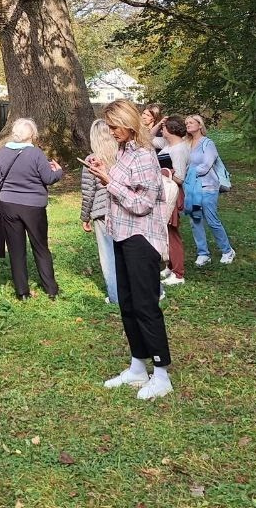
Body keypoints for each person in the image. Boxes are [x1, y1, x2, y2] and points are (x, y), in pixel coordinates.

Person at [83, 99, 174, 400]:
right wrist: (103, 170)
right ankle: (138, 366)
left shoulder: (146, 157)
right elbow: (123, 185)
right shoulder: (123, 152)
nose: (110, 133)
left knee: (146, 306)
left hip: (141, 238)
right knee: (127, 304)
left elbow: (142, 204)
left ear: (129, 124)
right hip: (120, 234)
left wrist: (109, 182)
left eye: (113, 127)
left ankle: (161, 374)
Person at [0, 118, 63, 300]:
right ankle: (51, 289)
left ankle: (22, 292)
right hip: (33, 206)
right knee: (40, 246)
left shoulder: (2, 153)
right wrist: (58, 172)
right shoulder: (36, 154)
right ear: (33, 135)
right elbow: (48, 178)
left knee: (16, 249)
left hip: (9, 205)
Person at [186, 114, 236, 267]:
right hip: (192, 189)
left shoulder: (207, 144)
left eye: (190, 122)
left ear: (199, 125)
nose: (187, 125)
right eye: (186, 123)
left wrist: (187, 172)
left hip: (208, 187)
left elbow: (207, 165)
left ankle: (227, 251)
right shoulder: (186, 143)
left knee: (212, 220)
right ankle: (203, 253)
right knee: (195, 220)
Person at [80, 118, 120, 304]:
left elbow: (88, 191)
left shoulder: (92, 160)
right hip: (123, 207)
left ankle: (115, 296)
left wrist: (85, 216)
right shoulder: (123, 154)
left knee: (108, 255)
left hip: (102, 210)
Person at [160, 116, 191, 285]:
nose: (161, 130)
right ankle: (170, 266)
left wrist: (163, 171)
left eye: (164, 127)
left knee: (172, 232)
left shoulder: (179, 149)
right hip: (165, 190)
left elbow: (180, 177)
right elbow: (149, 138)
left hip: (173, 192)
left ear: (171, 129)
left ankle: (178, 273)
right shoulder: (168, 145)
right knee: (165, 230)